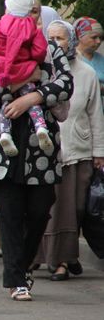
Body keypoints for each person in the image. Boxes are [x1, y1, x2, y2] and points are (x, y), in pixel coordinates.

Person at [0, 8, 73, 301]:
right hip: (0, 143)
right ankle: (16, 280)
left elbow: (66, 84)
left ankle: (23, 264)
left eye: (35, 16)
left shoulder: (50, 49)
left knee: (41, 208)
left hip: (40, 143)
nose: (30, 21)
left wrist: (33, 97)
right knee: (10, 212)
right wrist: (29, 76)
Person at [35, 20, 104, 281]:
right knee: (50, 209)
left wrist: (99, 152)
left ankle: (67, 256)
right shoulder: (40, 69)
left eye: (60, 38)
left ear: (71, 40)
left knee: (74, 210)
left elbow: (95, 114)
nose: (55, 43)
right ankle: (55, 260)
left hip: (78, 150)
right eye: (50, 38)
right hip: (46, 151)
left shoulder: (86, 73)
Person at [0, 0, 52, 157]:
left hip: (0, 70)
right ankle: (41, 127)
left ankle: (5, 133)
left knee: (5, 100)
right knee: (32, 100)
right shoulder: (32, 28)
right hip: (24, 70)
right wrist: (32, 60)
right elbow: (39, 51)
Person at [73, 16, 104, 102]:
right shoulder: (72, 59)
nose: (98, 41)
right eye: (94, 37)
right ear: (80, 36)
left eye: (101, 38)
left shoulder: (101, 59)